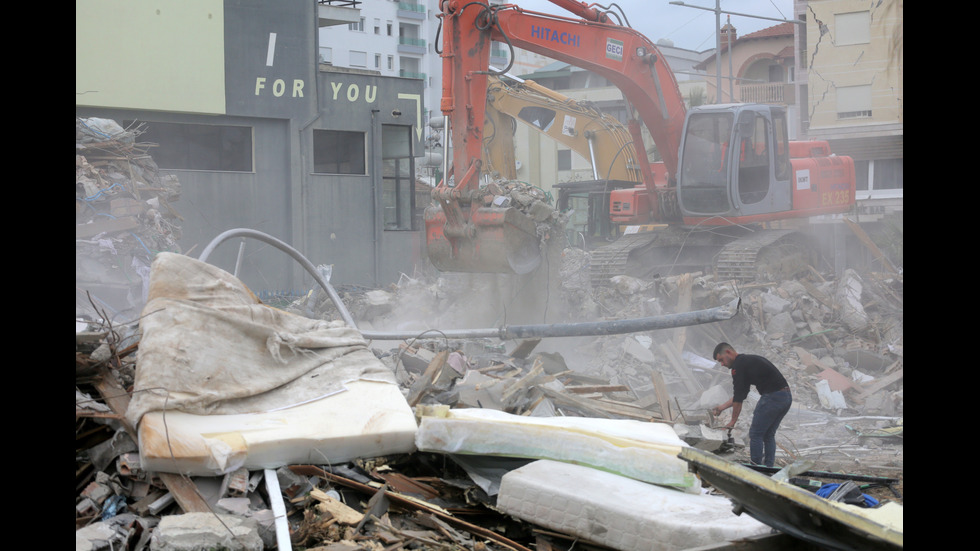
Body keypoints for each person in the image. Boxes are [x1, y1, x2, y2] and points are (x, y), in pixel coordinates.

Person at [710, 342, 792, 467]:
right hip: (785, 397)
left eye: (721, 360)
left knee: (755, 434)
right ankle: (769, 467)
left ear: (728, 352)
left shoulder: (738, 367)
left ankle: (756, 468)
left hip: (772, 397)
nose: (722, 364)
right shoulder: (747, 361)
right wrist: (722, 407)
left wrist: (732, 421)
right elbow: (741, 394)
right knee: (768, 434)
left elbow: (738, 397)